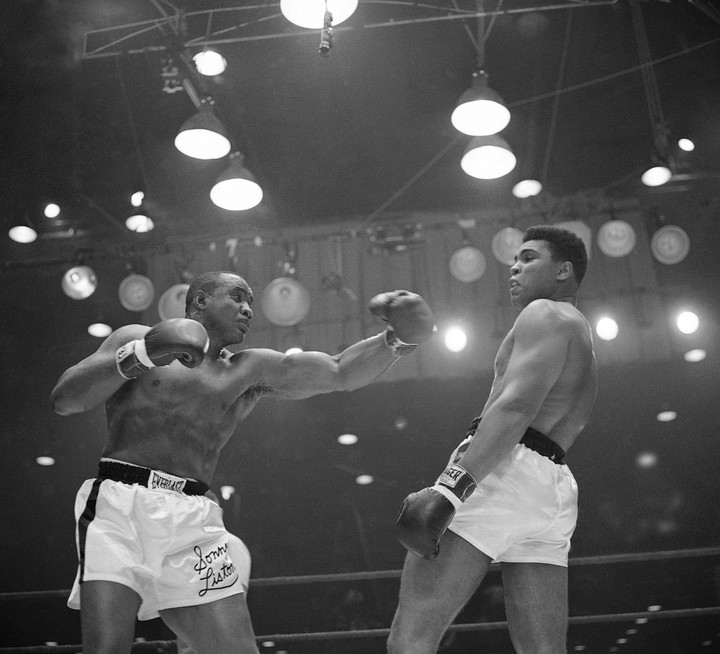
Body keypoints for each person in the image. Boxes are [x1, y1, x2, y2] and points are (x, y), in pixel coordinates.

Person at [50, 271, 435, 654]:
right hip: (121, 505)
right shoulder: (136, 338)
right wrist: (140, 355)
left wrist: (397, 340)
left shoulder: (249, 370)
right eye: (237, 297)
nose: (248, 309)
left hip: (193, 519)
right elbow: (66, 399)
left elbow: (339, 371)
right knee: (106, 649)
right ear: (200, 300)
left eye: (250, 301)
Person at [389, 225, 597, 654]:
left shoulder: (544, 314)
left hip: (501, 471)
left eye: (528, 258)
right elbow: (566, 423)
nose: (514, 267)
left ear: (563, 271)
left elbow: (515, 408)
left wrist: (450, 489)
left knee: (411, 641)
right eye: (514, 260)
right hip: (553, 489)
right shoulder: (582, 334)